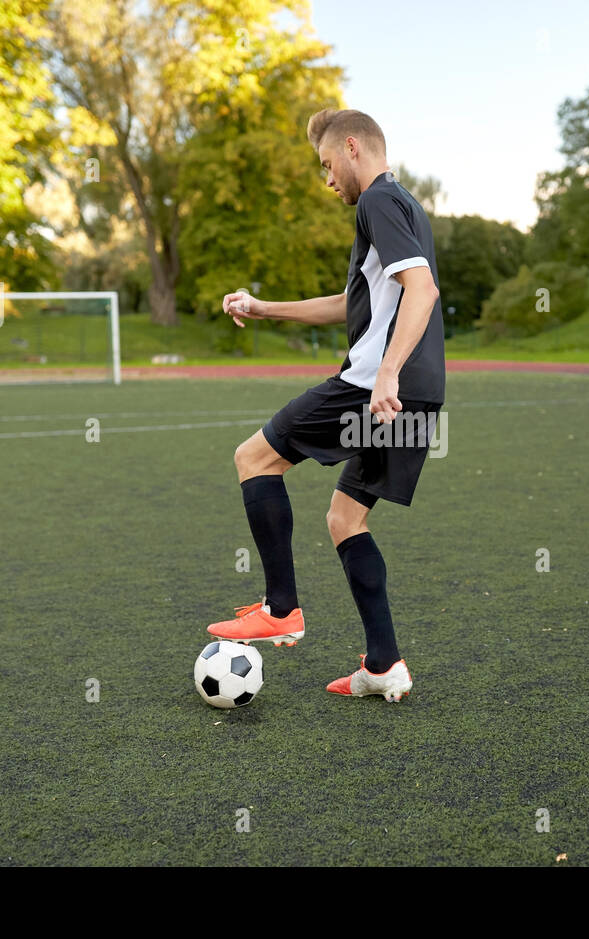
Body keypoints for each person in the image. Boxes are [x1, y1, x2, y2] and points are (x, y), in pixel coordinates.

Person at [208, 108, 445, 703]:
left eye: (325, 165)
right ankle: (385, 664)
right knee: (345, 520)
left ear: (351, 147)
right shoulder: (406, 206)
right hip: (416, 394)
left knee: (254, 459)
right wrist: (265, 308)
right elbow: (352, 303)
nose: (327, 180)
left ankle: (281, 609)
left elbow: (424, 290)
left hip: (375, 387)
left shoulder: (377, 203)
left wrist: (386, 371)